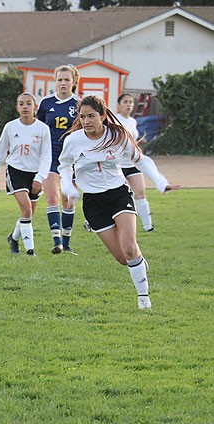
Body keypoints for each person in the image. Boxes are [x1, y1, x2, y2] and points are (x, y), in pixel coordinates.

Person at [58, 95, 180, 310]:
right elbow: (64, 166)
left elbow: (141, 160)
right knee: (123, 258)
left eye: (91, 116)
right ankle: (138, 264)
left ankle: (144, 299)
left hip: (118, 194)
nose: (86, 121)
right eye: (83, 117)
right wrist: (68, 188)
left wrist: (161, 182)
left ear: (103, 116)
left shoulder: (117, 135)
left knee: (129, 247)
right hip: (93, 203)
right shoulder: (73, 140)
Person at [0, 92, 52, 256]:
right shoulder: (10, 127)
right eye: (21, 104)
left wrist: (40, 178)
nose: (25, 107)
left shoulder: (43, 129)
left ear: (35, 107)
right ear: (17, 107)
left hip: (34, 174)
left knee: (28, 213)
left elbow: (46, 156)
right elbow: (0, 152)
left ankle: (14, 238)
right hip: (16, 171)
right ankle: (30, 251)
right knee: (26, 209)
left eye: (28, 103)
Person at [37, 65, 81, 255]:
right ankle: (57, 243)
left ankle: (67, 242)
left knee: (69, 199)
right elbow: (37, 129)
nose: (63, 83)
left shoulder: (80, 104)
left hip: (71, 159)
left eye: (67, 79)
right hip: (50, 157)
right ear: (55, 81)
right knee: (53, 196)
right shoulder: (46, 103)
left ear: (74, 81)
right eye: (60, 79)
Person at [116, 93, 155, 232]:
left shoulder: (133, 121)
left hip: (133, 163)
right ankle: (92, 221)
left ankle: (148, 226)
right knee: (116, 196)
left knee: (140, 192)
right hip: (117, 165)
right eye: (125, 102)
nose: (128, 105)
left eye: (131, 102)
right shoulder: (115, 120)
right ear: (118, 105)